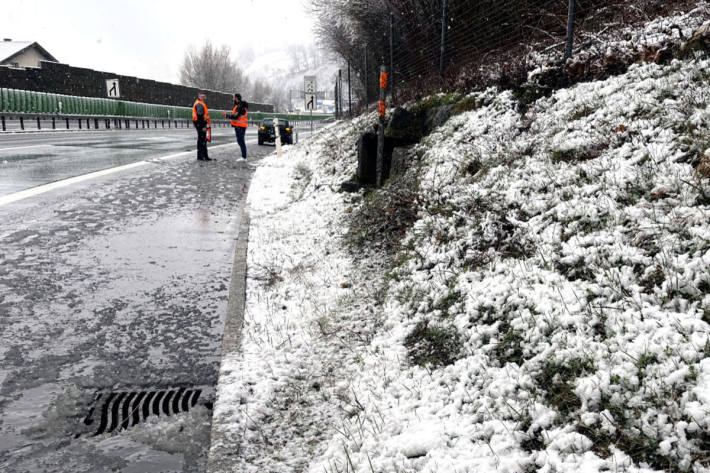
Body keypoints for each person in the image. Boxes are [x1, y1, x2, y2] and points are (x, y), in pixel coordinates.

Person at [222, 93, 248, 159]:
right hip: (241, 126)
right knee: (241, 141)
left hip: (239, 126)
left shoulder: (240, 106)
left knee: (241, 142)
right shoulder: (240, 105)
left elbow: (235, 116)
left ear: (236, 98)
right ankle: (244, 156)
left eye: (233, 97)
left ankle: (244, 157)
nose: (232, 99)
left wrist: (226, 115)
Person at [192, 92, 212, 161]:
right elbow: (200, 116)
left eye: (204, 96)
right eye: (202, 96)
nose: (204, 98)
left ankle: (200, 156)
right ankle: (204, 156)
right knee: (203, 140)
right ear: (199, 97)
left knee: (201, 140)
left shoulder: (200, 103)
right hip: (200, 124)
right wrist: (203, 126)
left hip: (199, 124)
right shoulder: (200, 104)